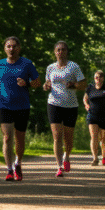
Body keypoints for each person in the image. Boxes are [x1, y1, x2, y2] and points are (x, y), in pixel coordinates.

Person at [0, 36, 39, 181]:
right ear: (5, 48)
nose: (11, 49)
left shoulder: (27, 64)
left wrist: (27, 83)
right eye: (8, 46)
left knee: (20, 138)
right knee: (7, 137)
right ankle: (9, 169)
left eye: (14, 46)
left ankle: (18, 163)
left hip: (22, 106)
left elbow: (37, 82)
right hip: (4, 105)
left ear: (19, 48)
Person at [42, 40, 85, 177]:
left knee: (68, 137)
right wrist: (46, 86)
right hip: (54, 103)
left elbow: (83, 84)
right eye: (58, 50)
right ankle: (59, 165)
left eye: (63, 50)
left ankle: (66, 156)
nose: (60, 52)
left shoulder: (74, 66)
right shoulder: (50, 68)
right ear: (55, 52)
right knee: (57, 135)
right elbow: (47, 83)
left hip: (71, 105)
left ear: (67, 52)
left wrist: (74, 85)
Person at [84, 70, 105, 166]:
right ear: (94, 78)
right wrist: (86, 105)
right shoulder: (90, 88)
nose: (97, 79)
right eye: (96, 77)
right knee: (93, 137)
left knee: (104, 138)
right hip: (92, 115)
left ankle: (103, 156)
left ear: (103, 78)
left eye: (99, 77)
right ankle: (95, 158)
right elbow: (85, 98)